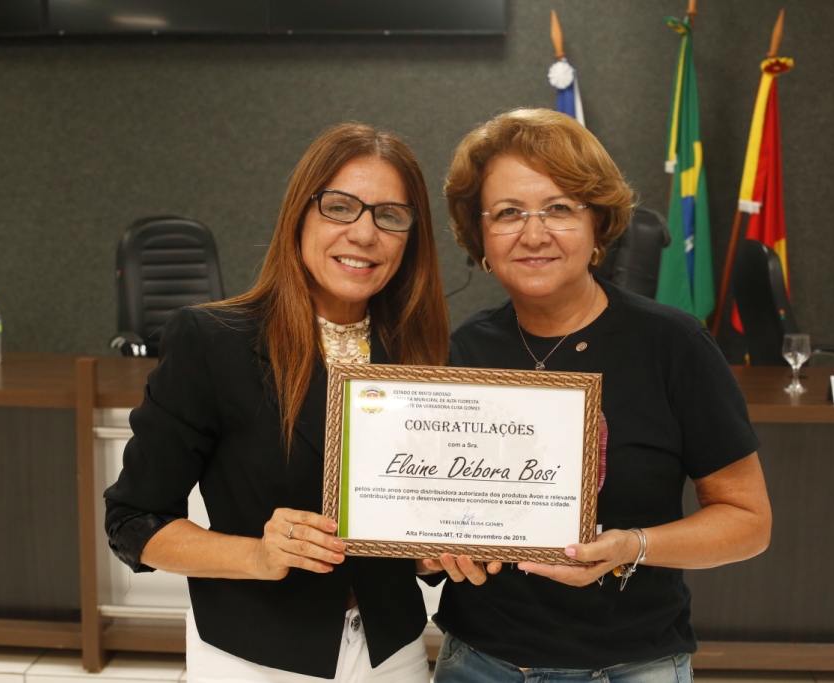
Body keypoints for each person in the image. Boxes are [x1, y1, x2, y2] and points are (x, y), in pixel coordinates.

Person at [422, 108, 772, 682]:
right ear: (481, 238)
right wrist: (432, 548)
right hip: (478, 664)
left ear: (598, 226)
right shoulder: (463, 350)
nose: (533, 234)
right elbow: (435, 514)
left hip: (630, 667)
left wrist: (629, 546)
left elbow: (748, 522)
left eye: (559, 209)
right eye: (508, 214)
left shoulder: (673, 345)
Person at [104, 123, 448, 683]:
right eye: (341, 207)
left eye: (390, 215)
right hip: (253, 658)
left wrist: (428, 554)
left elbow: (407, 513)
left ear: (412, 236)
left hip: (394, 653)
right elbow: (133, 522)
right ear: (300, 214)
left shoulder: (423, 351)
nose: (365, 233)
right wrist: (257, 556)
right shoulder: (212, 341)